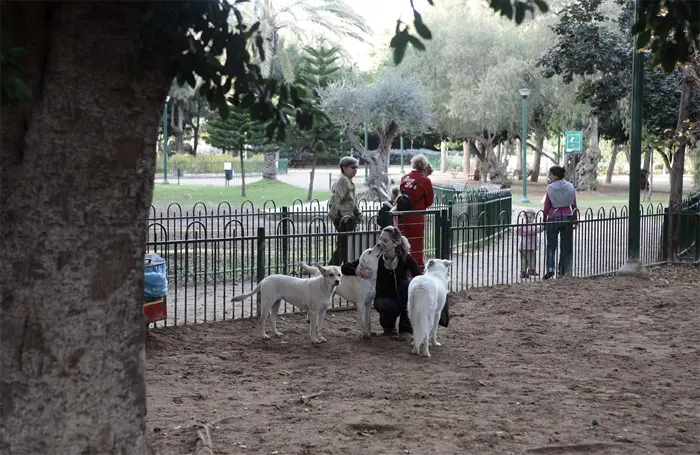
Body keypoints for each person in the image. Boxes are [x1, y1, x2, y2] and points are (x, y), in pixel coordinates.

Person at [341, 226, 421, 342]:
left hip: (402, 296)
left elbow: (419, 276)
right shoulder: (376, 257)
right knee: (386, 305)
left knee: (406, 286)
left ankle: (406, 330)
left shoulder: (405, 258)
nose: (380, 243)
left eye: (385, 240)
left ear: (395, 243)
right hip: (384, 298)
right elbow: (345, 267)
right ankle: (388, 326)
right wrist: (358, 272)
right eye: (380, 239)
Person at [398, 155, 434, 269]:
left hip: (403, 216)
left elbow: (401, 195)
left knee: (403, 242)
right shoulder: (425, 180)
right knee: (417, 244)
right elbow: (429, 201)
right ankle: (417, 268)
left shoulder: (404, 177)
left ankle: (403, 266)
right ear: (424, 165)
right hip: (417, 216)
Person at [543, 165, 578, 279]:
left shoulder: (550, 188)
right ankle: (562, 269)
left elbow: (547, 204)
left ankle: (550, 269)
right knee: (565, 246)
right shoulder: (570, 186)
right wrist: (575, 219)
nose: (549, 177)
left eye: (551, 175)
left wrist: (544, 218)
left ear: (556, 176)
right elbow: (574, 204)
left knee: (551, 246)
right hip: (567, 216)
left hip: (553, 217)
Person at [328, 157, 361, 265]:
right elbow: (337, 199)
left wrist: (358, 213)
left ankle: (341, 269)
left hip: (348, 217)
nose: (355, 169)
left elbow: (351, 202)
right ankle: (331, 269)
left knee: (346, 246)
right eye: (352, 167)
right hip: (343, 218)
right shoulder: (343, 180)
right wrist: (335, 215)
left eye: (356, 167)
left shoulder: (348, 181)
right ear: (344, 168)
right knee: (343, 246)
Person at [516, 209, 544, 279]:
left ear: (534, 218)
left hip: (522, 246)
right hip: (528, 246)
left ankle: (523, 272)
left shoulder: (523, 225)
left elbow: (518, 231)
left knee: (524, 259)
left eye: (530, 218)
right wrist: (542, 227)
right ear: (524, 218)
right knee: (531, 258)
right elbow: (534, 230)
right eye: (527, 217)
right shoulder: (527, 226)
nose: (529, 219)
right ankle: (531, 270)